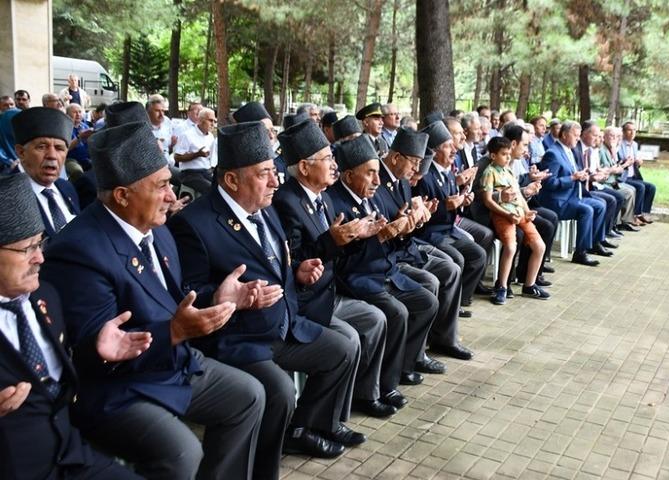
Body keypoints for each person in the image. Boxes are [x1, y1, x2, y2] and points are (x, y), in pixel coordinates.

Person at [42, 120, 266, 480]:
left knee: (249, 395)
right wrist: (174, 332)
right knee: (181, 451)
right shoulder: (78, 251)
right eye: (161, 186)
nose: (172, 196)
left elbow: (173, 303)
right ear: (122, 196)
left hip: (172, 365)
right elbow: (93, 356)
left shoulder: (157, 230)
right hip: (118, 388)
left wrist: (220, 298)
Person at [170, 121, 363, 465]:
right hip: (237, 339)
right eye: (264, 174)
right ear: (231, 180)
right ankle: (262, 467)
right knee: (280, 391)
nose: (276, 180)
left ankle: (304, 430)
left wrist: (297, 273)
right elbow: (186, 295)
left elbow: (280, 261)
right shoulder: (195, 223)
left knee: (342, 350)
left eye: (274, 171)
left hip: (283, 325)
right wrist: (224, 297)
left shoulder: (266, 206)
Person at [0, 173, 149, 480]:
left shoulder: (46, 294)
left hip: (71, 455)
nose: (40, 257)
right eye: (27, 248)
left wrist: (95, 351)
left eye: (40, 242)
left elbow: (60, 372)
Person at [273, 121, 400, 419]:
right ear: (304, 167)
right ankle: (321, 420)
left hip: (327, 291)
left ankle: (358, 402)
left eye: (332, 158)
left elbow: (336, 251)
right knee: (356, 335)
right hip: (307, 300)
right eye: (327, 159)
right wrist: (332, 240)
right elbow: (294, 260)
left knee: (373, 321)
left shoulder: (323, 198)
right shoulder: (287, 201)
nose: (333, 165)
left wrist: (359, 237)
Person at [328, 135, 439, 387]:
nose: (378, 181)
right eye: (370, 174)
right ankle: (380, 387)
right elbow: (344, 262)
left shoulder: (370, 195)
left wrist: (399, 229)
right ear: (348, 177)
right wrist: (383, 236)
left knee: (426, 301)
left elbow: (384, 236)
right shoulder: (337, 204)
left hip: (381, 270)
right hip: (355, 279)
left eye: (378, 173)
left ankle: (404, 365)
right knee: (396, 313)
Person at [376, 128, 473, 360]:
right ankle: (415, 355)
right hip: (392, 255)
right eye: (414, 163)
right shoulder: (379, 182)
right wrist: (404, 226)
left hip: (405, 246)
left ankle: (443, 338)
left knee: (451, 268)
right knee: (433, 280)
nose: (416, 170)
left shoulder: (402, 180)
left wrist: (417, 219)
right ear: (396, 157)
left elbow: (405, 219)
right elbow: (385, 225)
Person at [414, 121, 490, 307]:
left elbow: (453, 204)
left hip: (448, 230)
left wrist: (463, 199)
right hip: (431, 233)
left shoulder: (447, 173)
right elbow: (425, 214)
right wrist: (446, 206)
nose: (454, 150)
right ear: (435, 151)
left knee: (479, 254)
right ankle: (449, 306)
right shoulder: (425, 175)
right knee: (457, 259)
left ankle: (462, 300)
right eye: (448, 146)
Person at [480, 136, 550, 305]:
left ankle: (529, 284)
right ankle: (502, 287)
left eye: (508, 154)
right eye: (504, 154)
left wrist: (527, 212)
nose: (508, 157)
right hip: (503, 215)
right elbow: (487, 200)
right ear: (493, 156)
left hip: (519, 213)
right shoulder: (489, 172)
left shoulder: (509, 171)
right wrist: (506, 214)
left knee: (539, 246)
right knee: (511, 247)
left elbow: (518, 195)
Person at [537, 121, 607, 267]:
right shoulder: (553, 154)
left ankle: (594, 243)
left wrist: (581, 175)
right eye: (575, 135)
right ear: (563, 135)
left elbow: (572, 173)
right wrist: (572, 178)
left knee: (600, 205)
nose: (578, 138)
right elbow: (549, 183)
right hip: (557, 201)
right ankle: (580, 253)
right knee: (586, 210)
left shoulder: (569, 150)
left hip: (572, 196)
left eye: (578, 135)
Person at [11, 107, 80, 238]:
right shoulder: (6, 197)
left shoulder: (67, 187)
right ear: (21, 152)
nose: (52, 156)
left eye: (59, 148)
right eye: (41, 147)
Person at [173, 107, 217, 195]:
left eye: (214, 121)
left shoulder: (210, 136)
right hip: (189, 173)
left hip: (206, 172)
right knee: (210, 189)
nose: (213, 124)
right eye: (210, 121)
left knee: (222, 188)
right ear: (201, 120)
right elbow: (177, 157)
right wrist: (198, 154)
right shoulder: (187, 135)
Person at [619, 121, 656, 223]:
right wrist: (626, 161)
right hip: (624, 177)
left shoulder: (635, 145)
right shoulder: (619, 144)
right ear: (624, 132)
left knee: (651, 187)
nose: (632, 132)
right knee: (640, 187)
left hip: (633, 176)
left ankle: (644, 213)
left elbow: (635, 164)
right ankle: (635, 215)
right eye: (629, 130)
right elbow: (619, 160)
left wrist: (638, 162)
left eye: (634, 130)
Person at [65, 103, 93, 174]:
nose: (78, 114)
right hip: (71, 159)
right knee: (77, 171)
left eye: (80, 112)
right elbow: (65, 148)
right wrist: (79, 137)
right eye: (74, 112)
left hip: (87, 158)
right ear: (67, 115)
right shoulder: (65, 128)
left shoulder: (85, 126)